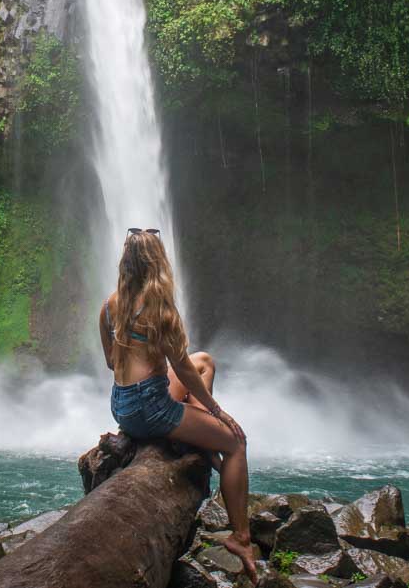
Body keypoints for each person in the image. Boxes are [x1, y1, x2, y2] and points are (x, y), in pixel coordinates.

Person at [98, 227, 256, 583]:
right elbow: (179, 367)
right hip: (152, 408)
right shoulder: (160, 310)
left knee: (204, 361)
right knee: (236, 442)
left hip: (122, 406)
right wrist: (218, 412)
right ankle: (241, 538)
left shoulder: (109, 306)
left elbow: (111, 362)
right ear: (158, 264)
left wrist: (141, 354)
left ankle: (190, 438)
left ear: (126, 264)